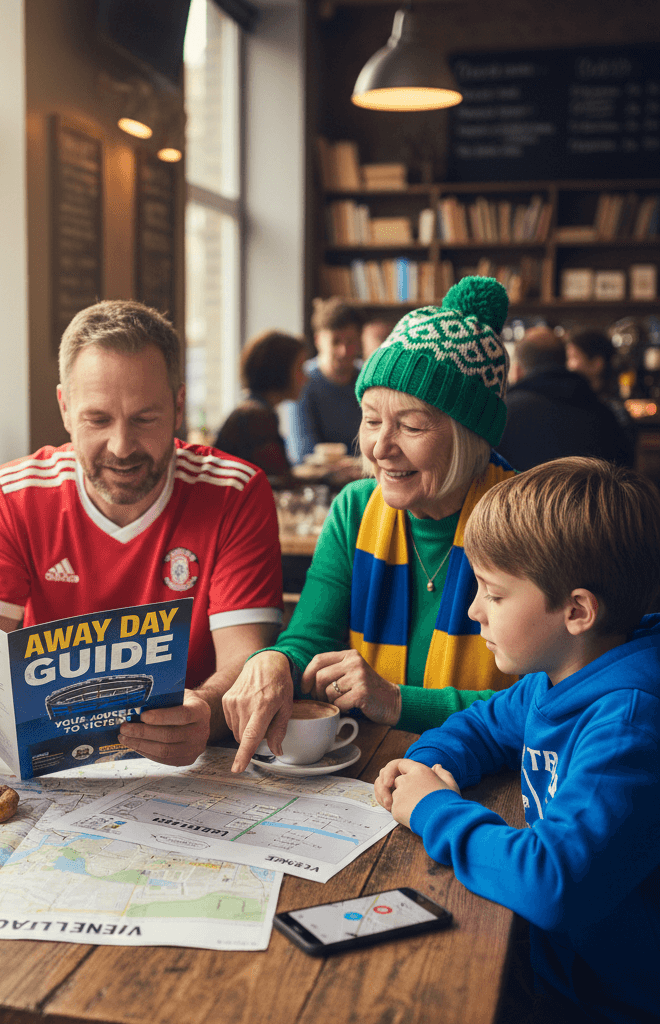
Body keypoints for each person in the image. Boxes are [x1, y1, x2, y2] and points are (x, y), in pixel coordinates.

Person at [375, 457, 660, 1024]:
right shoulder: (556, 679)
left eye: (494, 594)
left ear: (577, 611)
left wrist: (433, 808)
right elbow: (480, 726)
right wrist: (433, 764)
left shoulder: (628, 725)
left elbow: (551, 881)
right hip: (558, 968)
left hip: (611, 1002)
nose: (472, 610)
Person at [0, 299, 284, 766]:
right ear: (65, 409)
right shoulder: (14, 494)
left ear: (179, 406)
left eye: (144, 418)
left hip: (194, 762)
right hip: (51, 762)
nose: (122, 447)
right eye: (98, 419)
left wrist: (204, 712)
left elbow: (245, 660)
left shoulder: (234, 491)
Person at [223, 277, 520, 772]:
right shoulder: (355, 510)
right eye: (371, 420)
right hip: (375, 770)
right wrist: (274, 661)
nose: (381, 447)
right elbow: (308, 639)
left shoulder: (527, 520)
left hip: (493, 776)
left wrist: (398, 701)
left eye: (411, 425)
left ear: (469, 434)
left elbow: (550, 700)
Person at [497, 326, 633, 470]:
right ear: (564, 361)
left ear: (517, 370)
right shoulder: (605, 415)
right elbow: (624, 471)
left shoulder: (502, 415)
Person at [213, 329, 307, 484]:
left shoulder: (251, 410)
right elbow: (279, 481)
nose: (306, 377)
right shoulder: (258, 418)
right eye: (300, 368)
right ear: (279, 371)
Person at [286, 298, 365, 465]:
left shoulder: (367, 379)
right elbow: (302, 453)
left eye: (350, 342)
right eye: (335, 342)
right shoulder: (301, 382)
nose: (344, 351)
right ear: (318, 340)